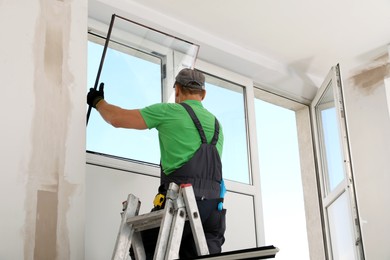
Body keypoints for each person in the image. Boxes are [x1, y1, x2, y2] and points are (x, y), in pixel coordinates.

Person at [87, 68, 226, 259]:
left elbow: (116, 118)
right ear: (203, 94)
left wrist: (97, 101)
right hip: (212, 212)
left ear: (177, 89)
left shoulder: (169, 111)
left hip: (182, 206)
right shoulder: (217, 124)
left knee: (142, 246)